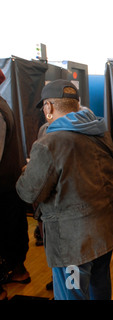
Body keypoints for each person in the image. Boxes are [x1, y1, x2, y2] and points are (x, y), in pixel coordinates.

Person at [15, 79, 113, 300]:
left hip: (73, 243)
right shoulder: (100, 131)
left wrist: (27, 171)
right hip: (105, 231)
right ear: (77, 105)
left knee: (71, 294)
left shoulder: (48, 143)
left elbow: (28, 192)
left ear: (48, 107)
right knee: (99, 288)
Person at [0, 69, 30, 300]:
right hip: (10, 183)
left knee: (9, 232)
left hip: (4, 186)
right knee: (13, 230)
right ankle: (17, 270)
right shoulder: (4, 105)